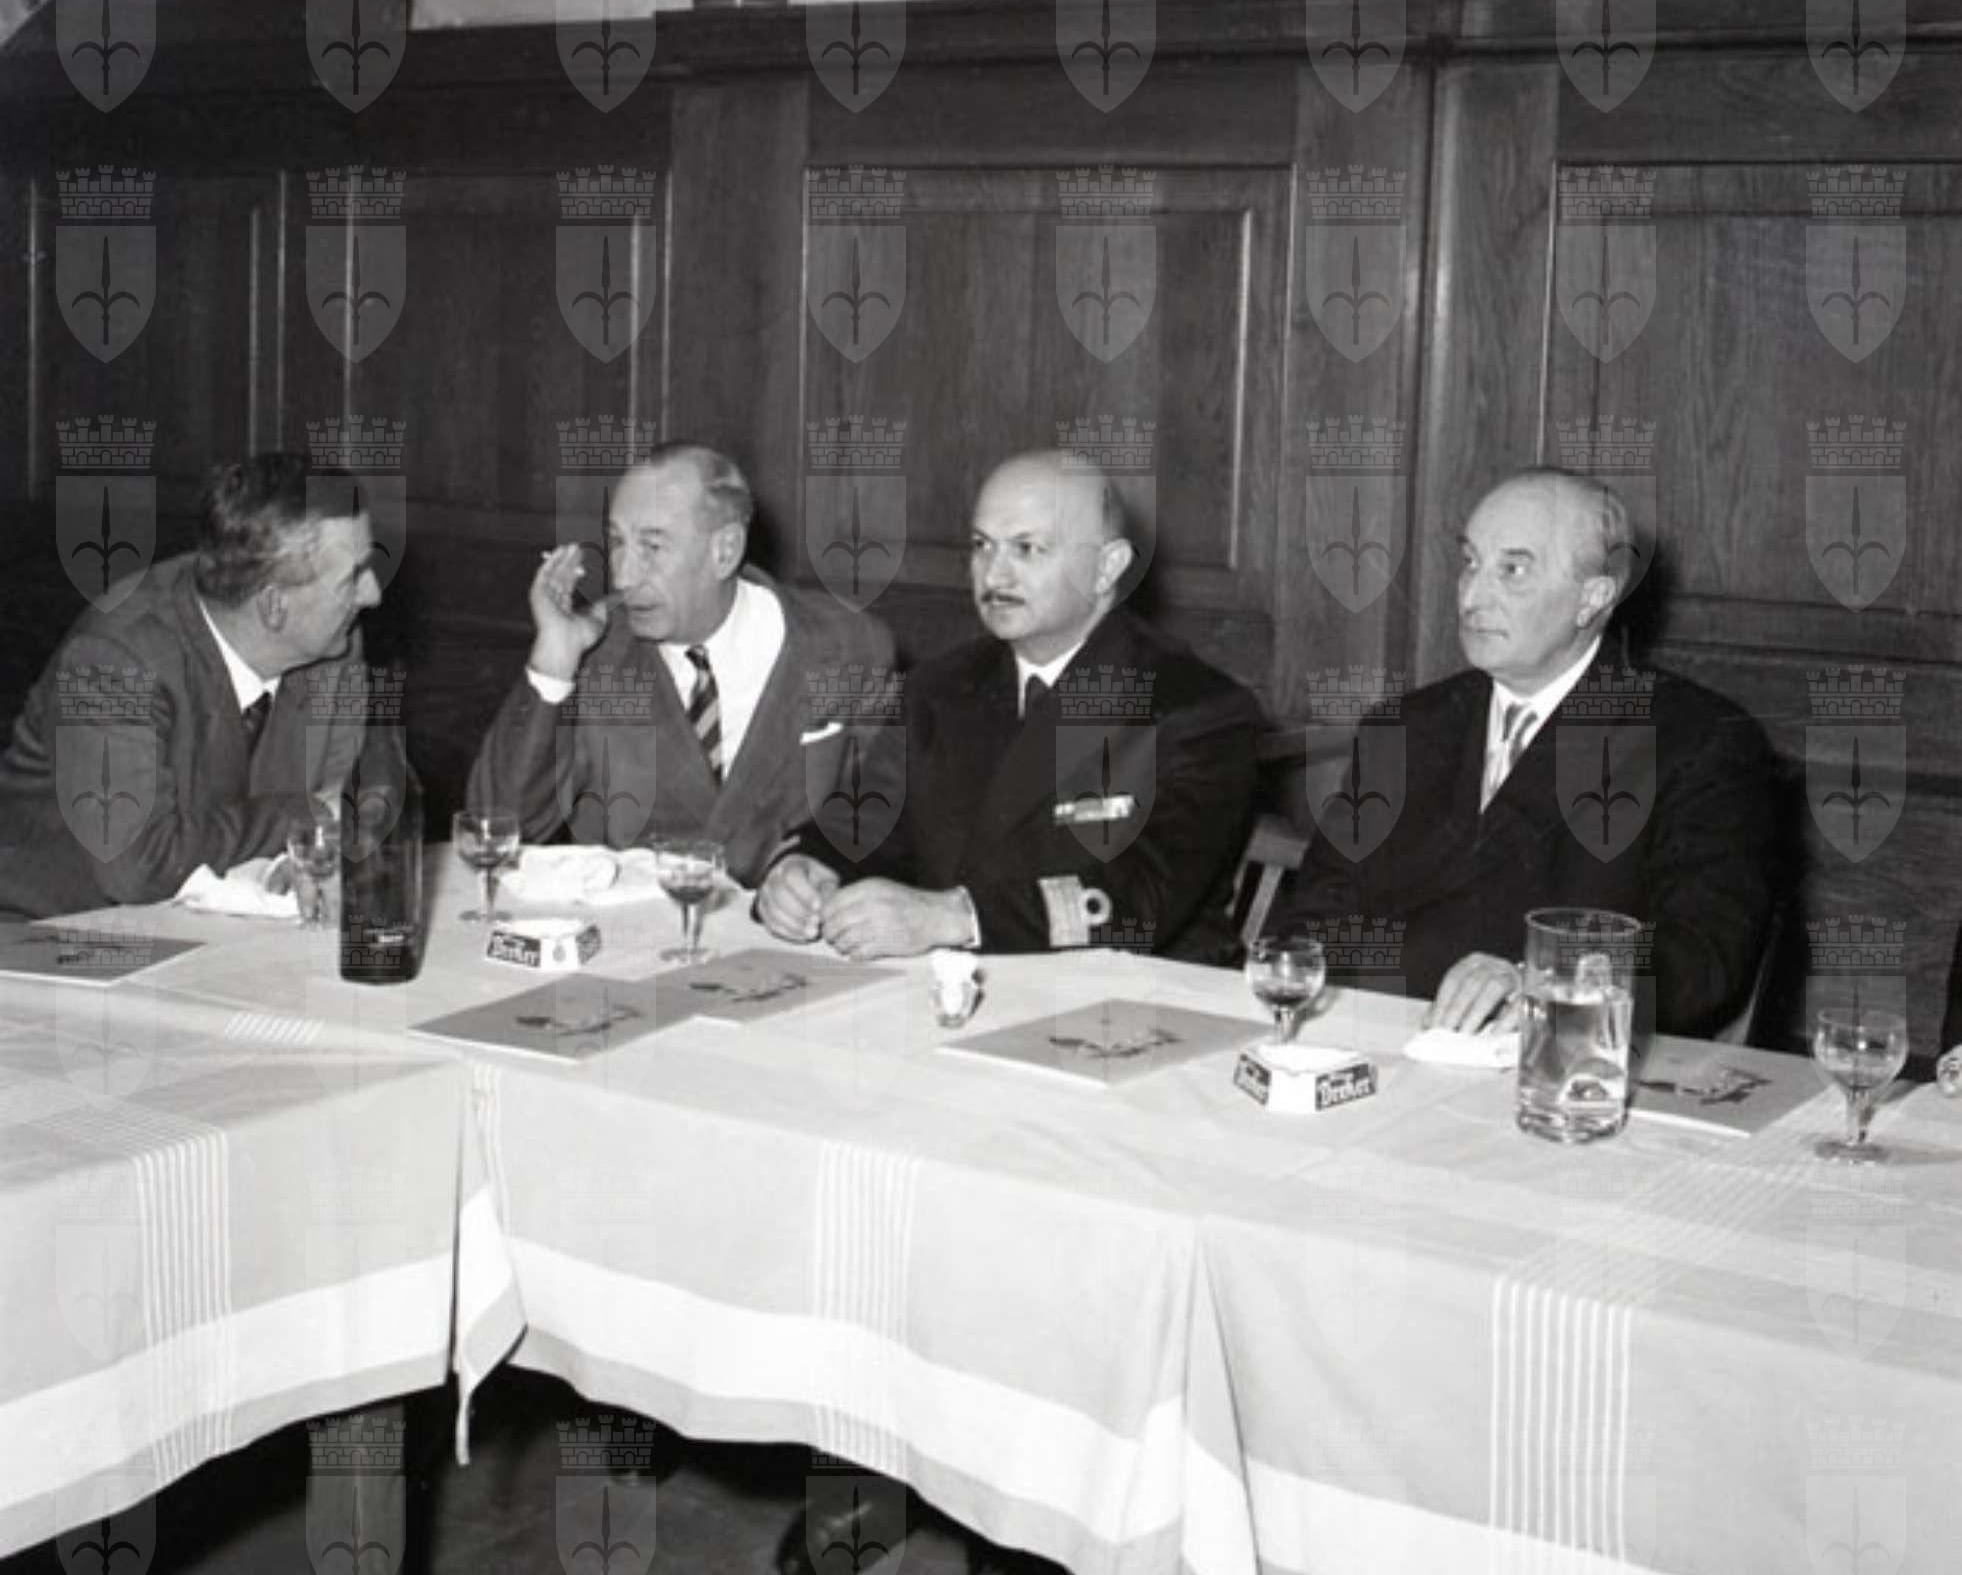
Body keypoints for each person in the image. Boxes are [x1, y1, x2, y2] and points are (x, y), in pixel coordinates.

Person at [1276, 468, 1778, 1040]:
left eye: (1512, 570)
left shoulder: (1697, 739)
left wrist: (1548, 984)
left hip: (1555, 1053)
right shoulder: (1408, 726)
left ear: (1592, 597)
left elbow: (1704, 952)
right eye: (1470, 562)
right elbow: (1320, 903)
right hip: (1374, 1039)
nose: (1471, 596)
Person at [758, 448, 1262, 964]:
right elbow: (860, 825)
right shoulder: (940, 687)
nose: (994, 576)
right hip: (962, 982)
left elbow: (1142, 897)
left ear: (1107, 567)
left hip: (1144, 991)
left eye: (1027, 549)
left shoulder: (1197, 708)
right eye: (982, 546)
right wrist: (804, 870)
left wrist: (955, 917)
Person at [468, 443, 895, 884]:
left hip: (780, 920)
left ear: (725, 550)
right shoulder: (597, 653)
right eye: (617, 542)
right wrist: (554, 660)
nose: (623, 576)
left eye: (652, 547)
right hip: (636, 922)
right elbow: (496, 830)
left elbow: (878, 820)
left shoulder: (848, 646)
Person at [0, 453, 381, 919]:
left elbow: (347, 803)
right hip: (46, 933)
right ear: (273, 606)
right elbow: (140, 866)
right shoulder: (113, 661)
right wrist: (304, 815)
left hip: (213, 924)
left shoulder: (332, 644)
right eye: (353, 577)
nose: (373, 594)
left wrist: (301, 850)